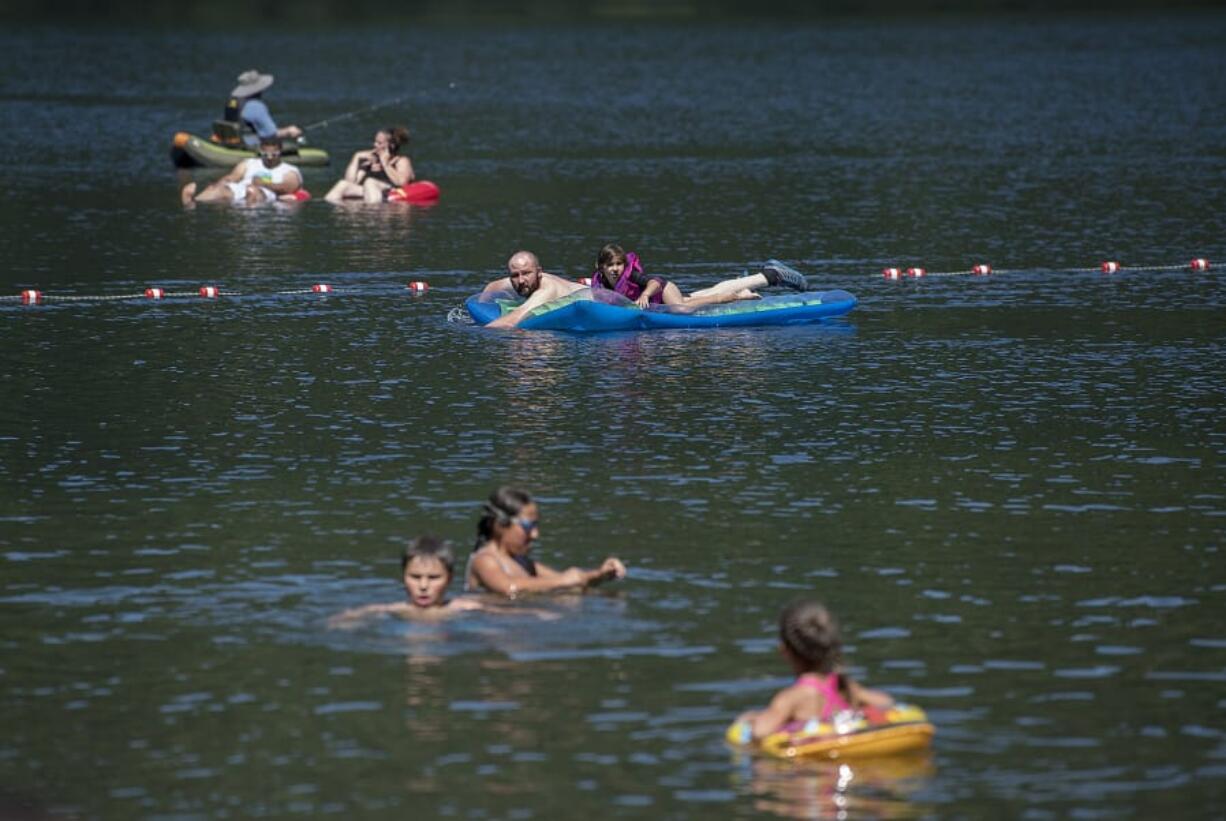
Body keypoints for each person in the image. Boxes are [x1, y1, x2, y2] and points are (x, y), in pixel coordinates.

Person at [731, 599, 895, 742]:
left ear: (785, 652)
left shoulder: (792, 698)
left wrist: (749, 721)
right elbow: (886, 703)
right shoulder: (844, 685)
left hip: (810, 771)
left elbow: (760, 732)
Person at [465, 486, 626, 598]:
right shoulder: (484, 560)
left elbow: (571, 582)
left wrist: (601, 574)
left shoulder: (523, 562)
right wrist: (563, 581)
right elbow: (508, 588)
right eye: (528, 527)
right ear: (500, 525)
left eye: (536, 526)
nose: (535, 534)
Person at [593, 243, 808, 310]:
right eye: (609, 265)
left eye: (619, 264)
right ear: (600, 267)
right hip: (663, 300)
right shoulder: (599, 281)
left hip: (661, 290)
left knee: (683, 308)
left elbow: (654, 282)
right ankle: (764, 277)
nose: (615, 269)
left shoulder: (632, 276)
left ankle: (738, 296)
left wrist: (645, 296)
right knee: (698, 296)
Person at [328, 536, 482, 627]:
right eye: (415, 577)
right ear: (403, 577)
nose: (423, 586)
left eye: (433, 578)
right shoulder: (392, 609)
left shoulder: (466, 608)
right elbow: (344, 619)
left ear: (450, 578)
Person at [180, 136, 303, 207]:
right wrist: (219, 183)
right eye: (266, 154)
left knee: (253, 191)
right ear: (260, 150)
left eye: (274, 154)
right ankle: (192, 202)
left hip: (267, 192)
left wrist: (264, 184)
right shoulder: (249, 163)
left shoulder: (289, 169)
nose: (270, 157)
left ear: (280, 151)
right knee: (219, 189)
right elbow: (232, 177)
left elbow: (290, 187)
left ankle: (248, 212)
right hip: (241, 188)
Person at [482, 251, 589, 329]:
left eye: (526, 273)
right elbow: (494, 286)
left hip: (591, 296)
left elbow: (516, 317)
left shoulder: (547, 289)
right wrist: (483, 305)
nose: (520, 281)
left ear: (539, 272)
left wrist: (479, 332)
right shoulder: (522, 279)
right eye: (515, 275)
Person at [324, 127, 415, 204]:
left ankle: (371, 214)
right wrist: (356, 157)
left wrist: (385, 163)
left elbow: (402, 183)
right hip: (370, 195)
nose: (375, 145)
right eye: (375, 142)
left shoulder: (401, 161)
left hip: (390, 196)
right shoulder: (372, 160)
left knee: (370, 181)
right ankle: (338, 214)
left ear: (391, 145)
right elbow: (350, 182)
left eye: (379, 143)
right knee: (343, 184)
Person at [224, 69, 303, 147]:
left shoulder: (232, 100)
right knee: (290, 145)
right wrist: (289, 131)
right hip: (250, 144)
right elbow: (272, 134)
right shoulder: (256, 106)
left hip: (233, 141)